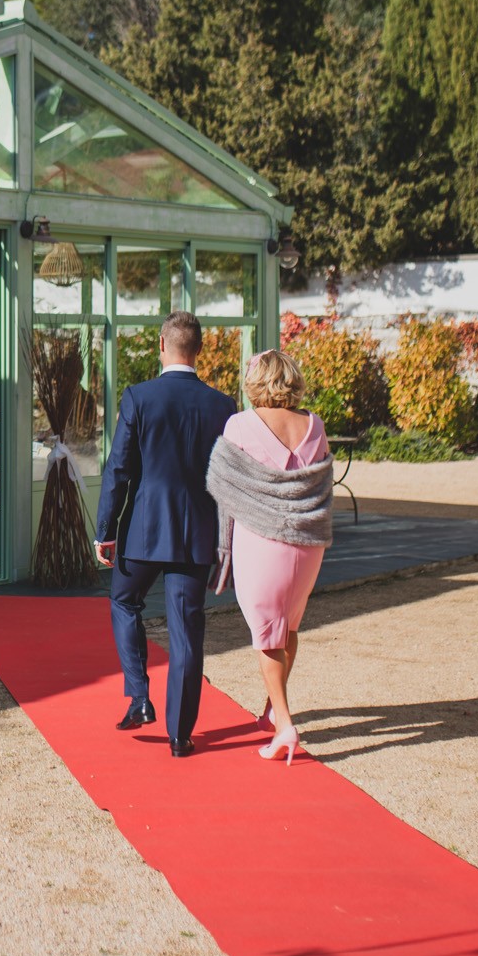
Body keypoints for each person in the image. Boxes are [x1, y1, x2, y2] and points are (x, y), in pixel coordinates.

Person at [93, 311, 237, 758]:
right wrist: (227, 541)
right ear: (199, 349)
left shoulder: (139, 397)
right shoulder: (223, 406)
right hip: (196, 532)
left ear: (161, 345)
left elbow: (119, 469)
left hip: (144, 529)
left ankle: (139, 696)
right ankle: (180, 735)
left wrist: (105, 530)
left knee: (123, 601)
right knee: (186, 632)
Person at [205, 350, 334, 766]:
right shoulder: (315, 425)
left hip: (262, 541)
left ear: (257, 381)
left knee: (266, 632)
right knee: (288, 625)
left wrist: (220, 547)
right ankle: (271, 710)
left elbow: (222, 486)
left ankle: (285, 726)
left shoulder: (240, 424)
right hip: (309, 543)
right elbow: (321, 487)